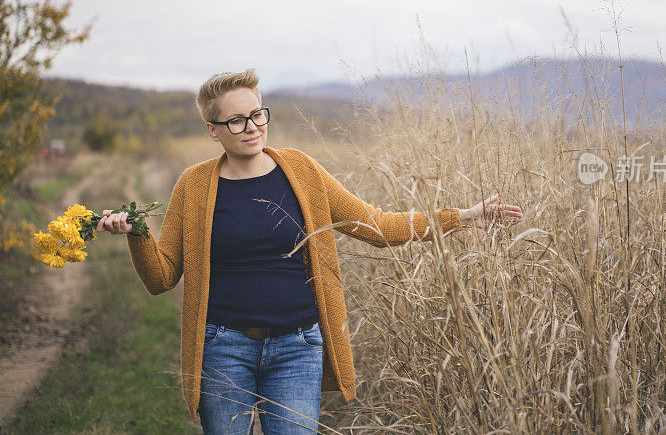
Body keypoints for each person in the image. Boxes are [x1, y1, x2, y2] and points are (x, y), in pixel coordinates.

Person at [97, 69, 523, 434]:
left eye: (258, 114)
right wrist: (137, 232)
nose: (252, 127)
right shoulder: (193, 186)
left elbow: (375, 226)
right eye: (237, 120)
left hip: (297, 348)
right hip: (222, 348)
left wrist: (460, 218)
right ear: (213, 129)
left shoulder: (300, 171)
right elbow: (161, 277)